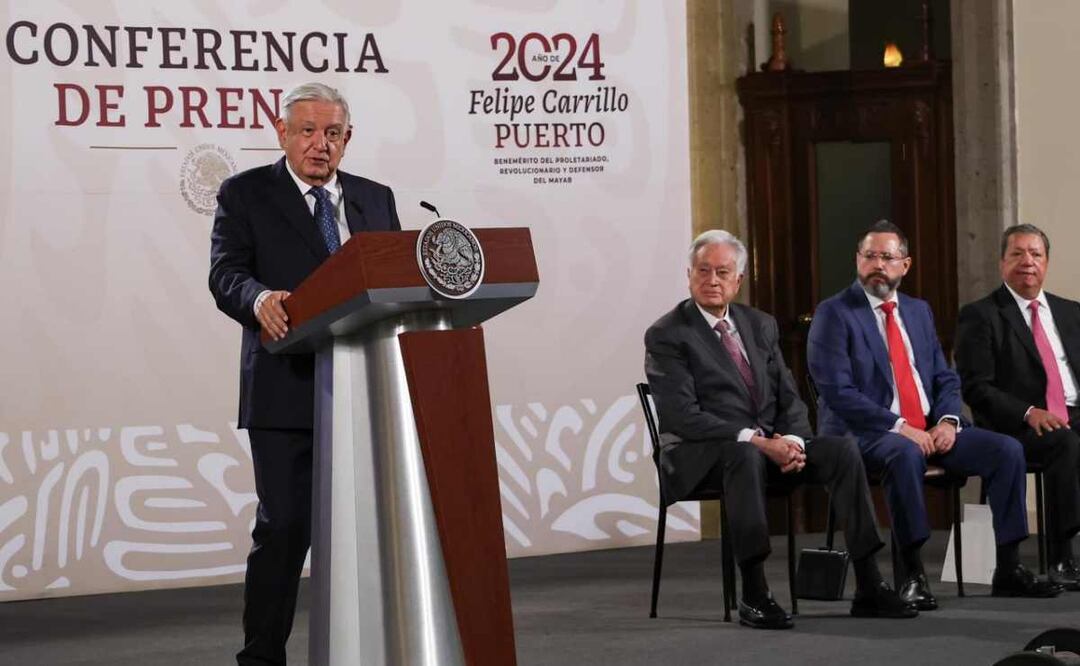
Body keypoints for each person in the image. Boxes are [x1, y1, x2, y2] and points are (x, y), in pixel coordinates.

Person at [208, 82, 401, 665]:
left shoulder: (376, 198)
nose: (321, 145)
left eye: (333, 133)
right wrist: (260, 297)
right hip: (285, 391)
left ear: (348, 139)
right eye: (309, 131)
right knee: (286, 529)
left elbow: (393, 279)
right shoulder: (246, 194)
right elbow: (225, 274)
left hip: (366, 388)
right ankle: (262, 658)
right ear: (282, 133)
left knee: (369, 533)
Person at [644, 229, 916, 630]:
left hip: (766, 448)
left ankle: (869, 583)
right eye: (703, 270)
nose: (712, 280)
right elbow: (683, 415)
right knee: (743, 455)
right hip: (699, 454)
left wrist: (790, 440)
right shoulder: (668, 333)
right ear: (688, 275)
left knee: (841, 450)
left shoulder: (760, 325)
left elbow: (789, 398)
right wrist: (755, 440)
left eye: (723, 272)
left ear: (738, 281)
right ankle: (754, 592)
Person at [807, 220, 1061, 612]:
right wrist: (902, 428)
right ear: (858, 260)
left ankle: (1008, 568)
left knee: (1006, 450)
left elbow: (945, 377)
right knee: (904, 453)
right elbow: (838, 392)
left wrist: (948, 421)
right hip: (867, 432)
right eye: (870, 256)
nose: (878, 264)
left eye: (888, 257)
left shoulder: (918, 311)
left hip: (928, 427)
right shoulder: (834, 313)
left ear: (904, 265)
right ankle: (911, 573)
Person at [956, 224, 1080, 590]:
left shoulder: (1070, 312)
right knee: (1067, 443)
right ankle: (1062, 556)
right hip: (1017, 426)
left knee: (1070, 436)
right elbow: (976, 388)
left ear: (1046, 263)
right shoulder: (981, 314)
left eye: (1036, 254)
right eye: (1018, 254)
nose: (1028, 262)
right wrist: (1029, 412)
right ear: (1001, 263)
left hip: (1072, 412)